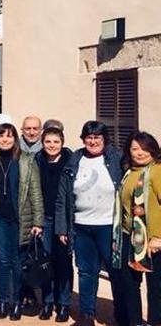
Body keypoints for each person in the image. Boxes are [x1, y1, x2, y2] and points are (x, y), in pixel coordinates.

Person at [55, 121, 128, 326]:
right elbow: (62, 197)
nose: (93, 141)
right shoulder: (75, 159)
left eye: (97, 137)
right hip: (81, 226)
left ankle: (121, 314)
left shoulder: (116, 158)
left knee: (116, 272)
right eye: (89, 137)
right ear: (83, 139)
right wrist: (62, 227)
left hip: (109, 227)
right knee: (86, 272)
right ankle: (87, 315)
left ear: (105, 139)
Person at [0, 124, 43, 321]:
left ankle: (17, 301)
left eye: (9, 137)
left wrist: (38, 221)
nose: (5, 140)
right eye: (1, 136)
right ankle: (2, 301)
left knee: (18, 262)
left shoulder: (26, 160)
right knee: (0, 261)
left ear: (15, 139)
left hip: (20, 219)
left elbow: (35, 192)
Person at [116, 131, 161, 326]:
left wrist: (158, 237)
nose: (140, 153)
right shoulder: (129, 172)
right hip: (129, 237)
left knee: (156, 287)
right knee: (130, 285)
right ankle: (135, 322)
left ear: (153, 150)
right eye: (135, 149)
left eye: (145, 148)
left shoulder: (157, 171)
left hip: (153, 241)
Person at [34, 127, 73, 322]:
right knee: (46, 263)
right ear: (42, 143)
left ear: (62, 142)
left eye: (55, 142)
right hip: (44, 220)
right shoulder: (37, 161)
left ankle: (64, 303)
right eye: (48, 142)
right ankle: (48, 302)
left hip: (65, 220)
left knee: (64, 262)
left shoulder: (71, 161)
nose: (52, 145)